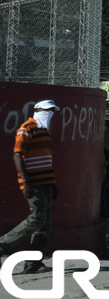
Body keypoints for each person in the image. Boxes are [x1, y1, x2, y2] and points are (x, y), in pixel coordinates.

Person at [0, 99, 60, 274]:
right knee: (37, 218)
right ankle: (2, 245)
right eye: (47, 110)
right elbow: (17, 155)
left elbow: (46, 160)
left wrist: (53, 184)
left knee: (45, 224)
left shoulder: (45, 131)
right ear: (37, 110)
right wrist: (26, 182)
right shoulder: (26, 128)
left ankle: (33, 263)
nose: (50, 114)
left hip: (46, 182)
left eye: (52, 111)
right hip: (33, 183)